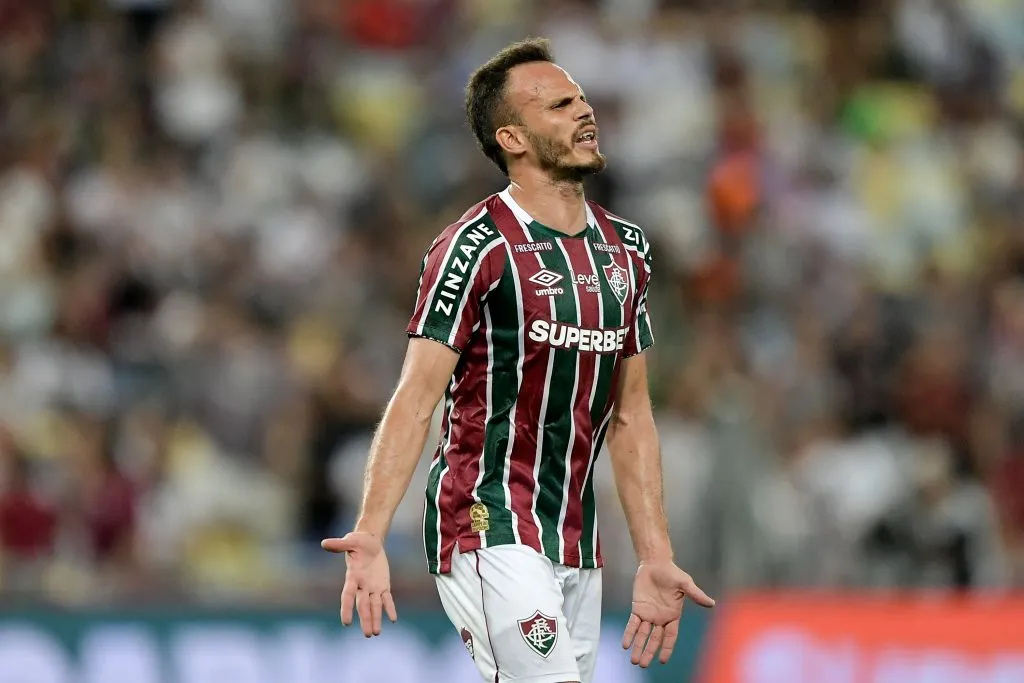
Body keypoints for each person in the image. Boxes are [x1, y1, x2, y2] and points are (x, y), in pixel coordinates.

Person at [321, 38, 715, 683]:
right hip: (487, 521)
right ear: (513, 138)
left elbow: (631, 413)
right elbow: (416, 397)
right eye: (560, 105)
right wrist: (370, 530)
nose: (584, 112)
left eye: (582, 98)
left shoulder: (626, 250)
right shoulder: (474, 246)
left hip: (577, 539)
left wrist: (655, 554)